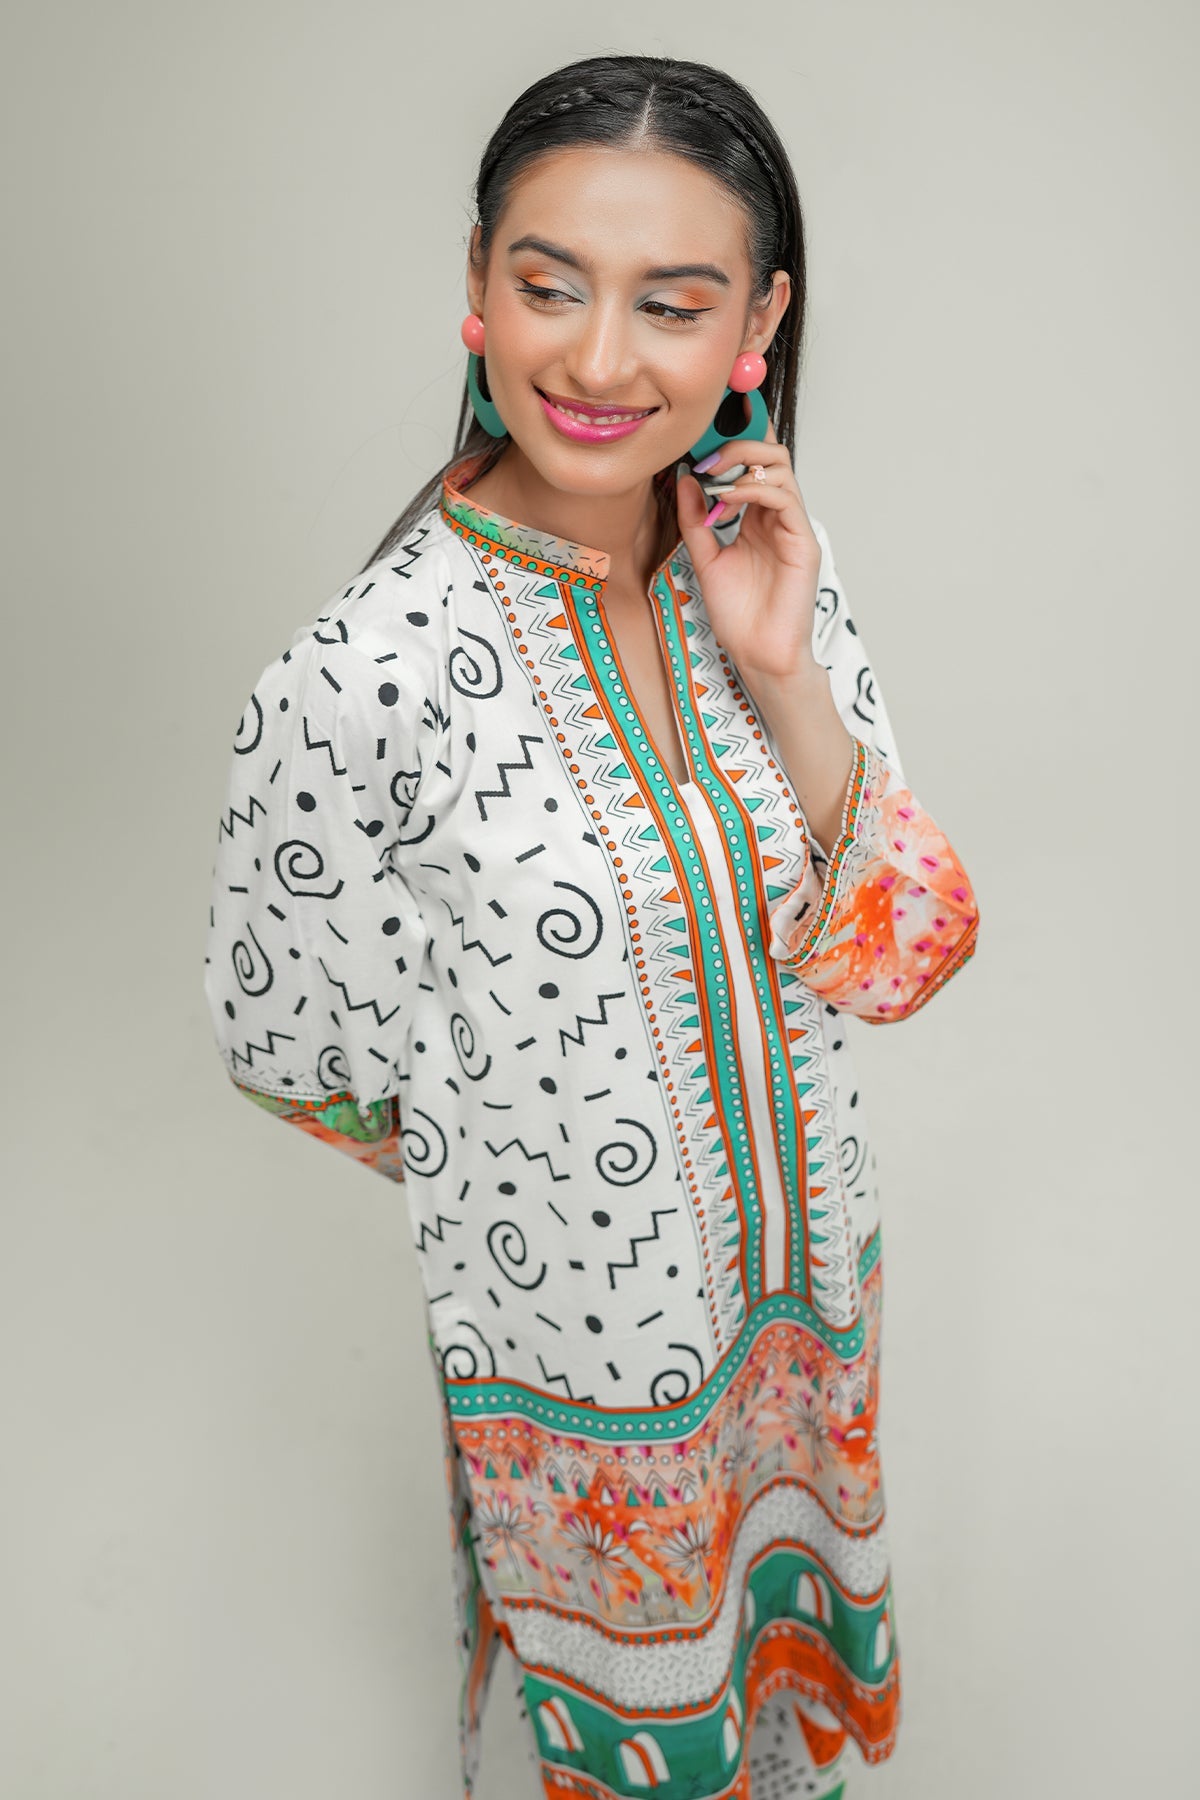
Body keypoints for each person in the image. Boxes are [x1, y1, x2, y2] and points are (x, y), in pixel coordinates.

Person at [203, 52, 980, 1800]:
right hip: (588, 1375)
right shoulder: (357, 681)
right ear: (477, 288)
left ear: (758, 325)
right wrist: (549, 1165)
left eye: (673, 304)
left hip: (804, 1316)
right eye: (550, 286)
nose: (601, 360)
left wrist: (785, 677)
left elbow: (902, 952)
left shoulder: (760, 560)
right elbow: (296, 1055)